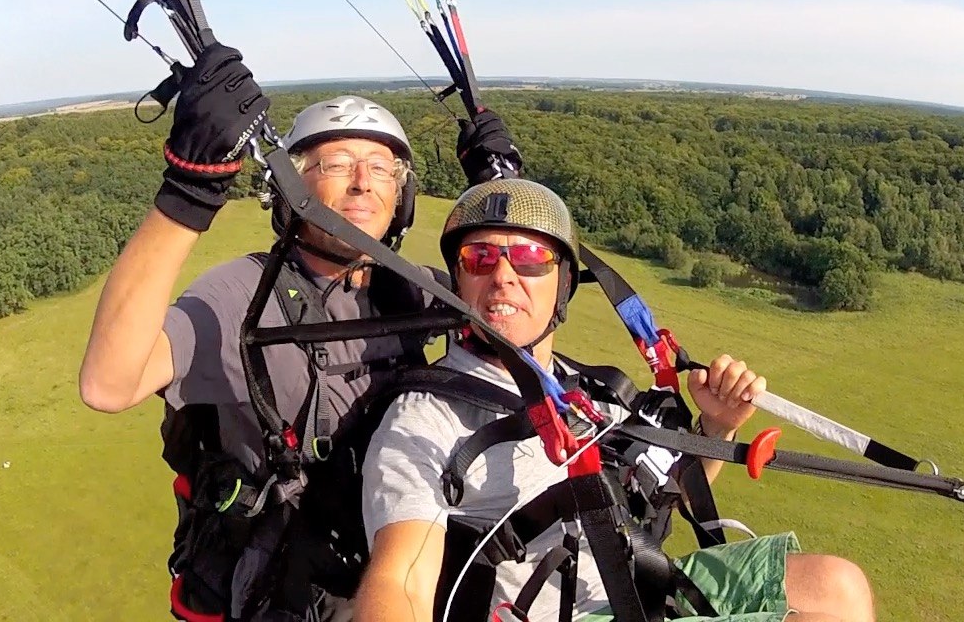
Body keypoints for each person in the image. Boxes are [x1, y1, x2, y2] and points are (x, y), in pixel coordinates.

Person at [76, 40, 522, 619]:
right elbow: (108, 384)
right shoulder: (241, 295)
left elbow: (520, 309)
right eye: (336, 164)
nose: (363, 182)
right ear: (291, 189)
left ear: (401, 195)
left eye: (382, 168)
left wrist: (506, 195)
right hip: (291, 587)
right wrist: (189, 191)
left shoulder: (410, 288)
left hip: (400, 561)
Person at [355, 178, 876, 622]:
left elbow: (654, 500)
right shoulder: (425, 418)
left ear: (561, 284)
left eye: (532, 257)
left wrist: (716, 430)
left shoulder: (586, 391)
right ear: (460, 281)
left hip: (632, 584)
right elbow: (399, 581)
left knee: (839, 584)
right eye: (480, 256)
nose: (504, 274)